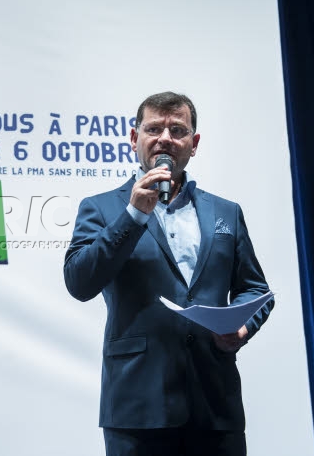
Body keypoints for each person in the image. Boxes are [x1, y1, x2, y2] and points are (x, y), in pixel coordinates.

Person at [63, 91, 274, 456]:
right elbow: (79, 282)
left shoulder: (226, 212)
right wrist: (133, 216)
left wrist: (242, 328)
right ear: (134, 139)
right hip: (137, 406)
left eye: (178, 130)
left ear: (193, 144)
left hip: (215, 405)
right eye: (154, 128)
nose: (165, 138)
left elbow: (255, 289)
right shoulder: (100, 208)